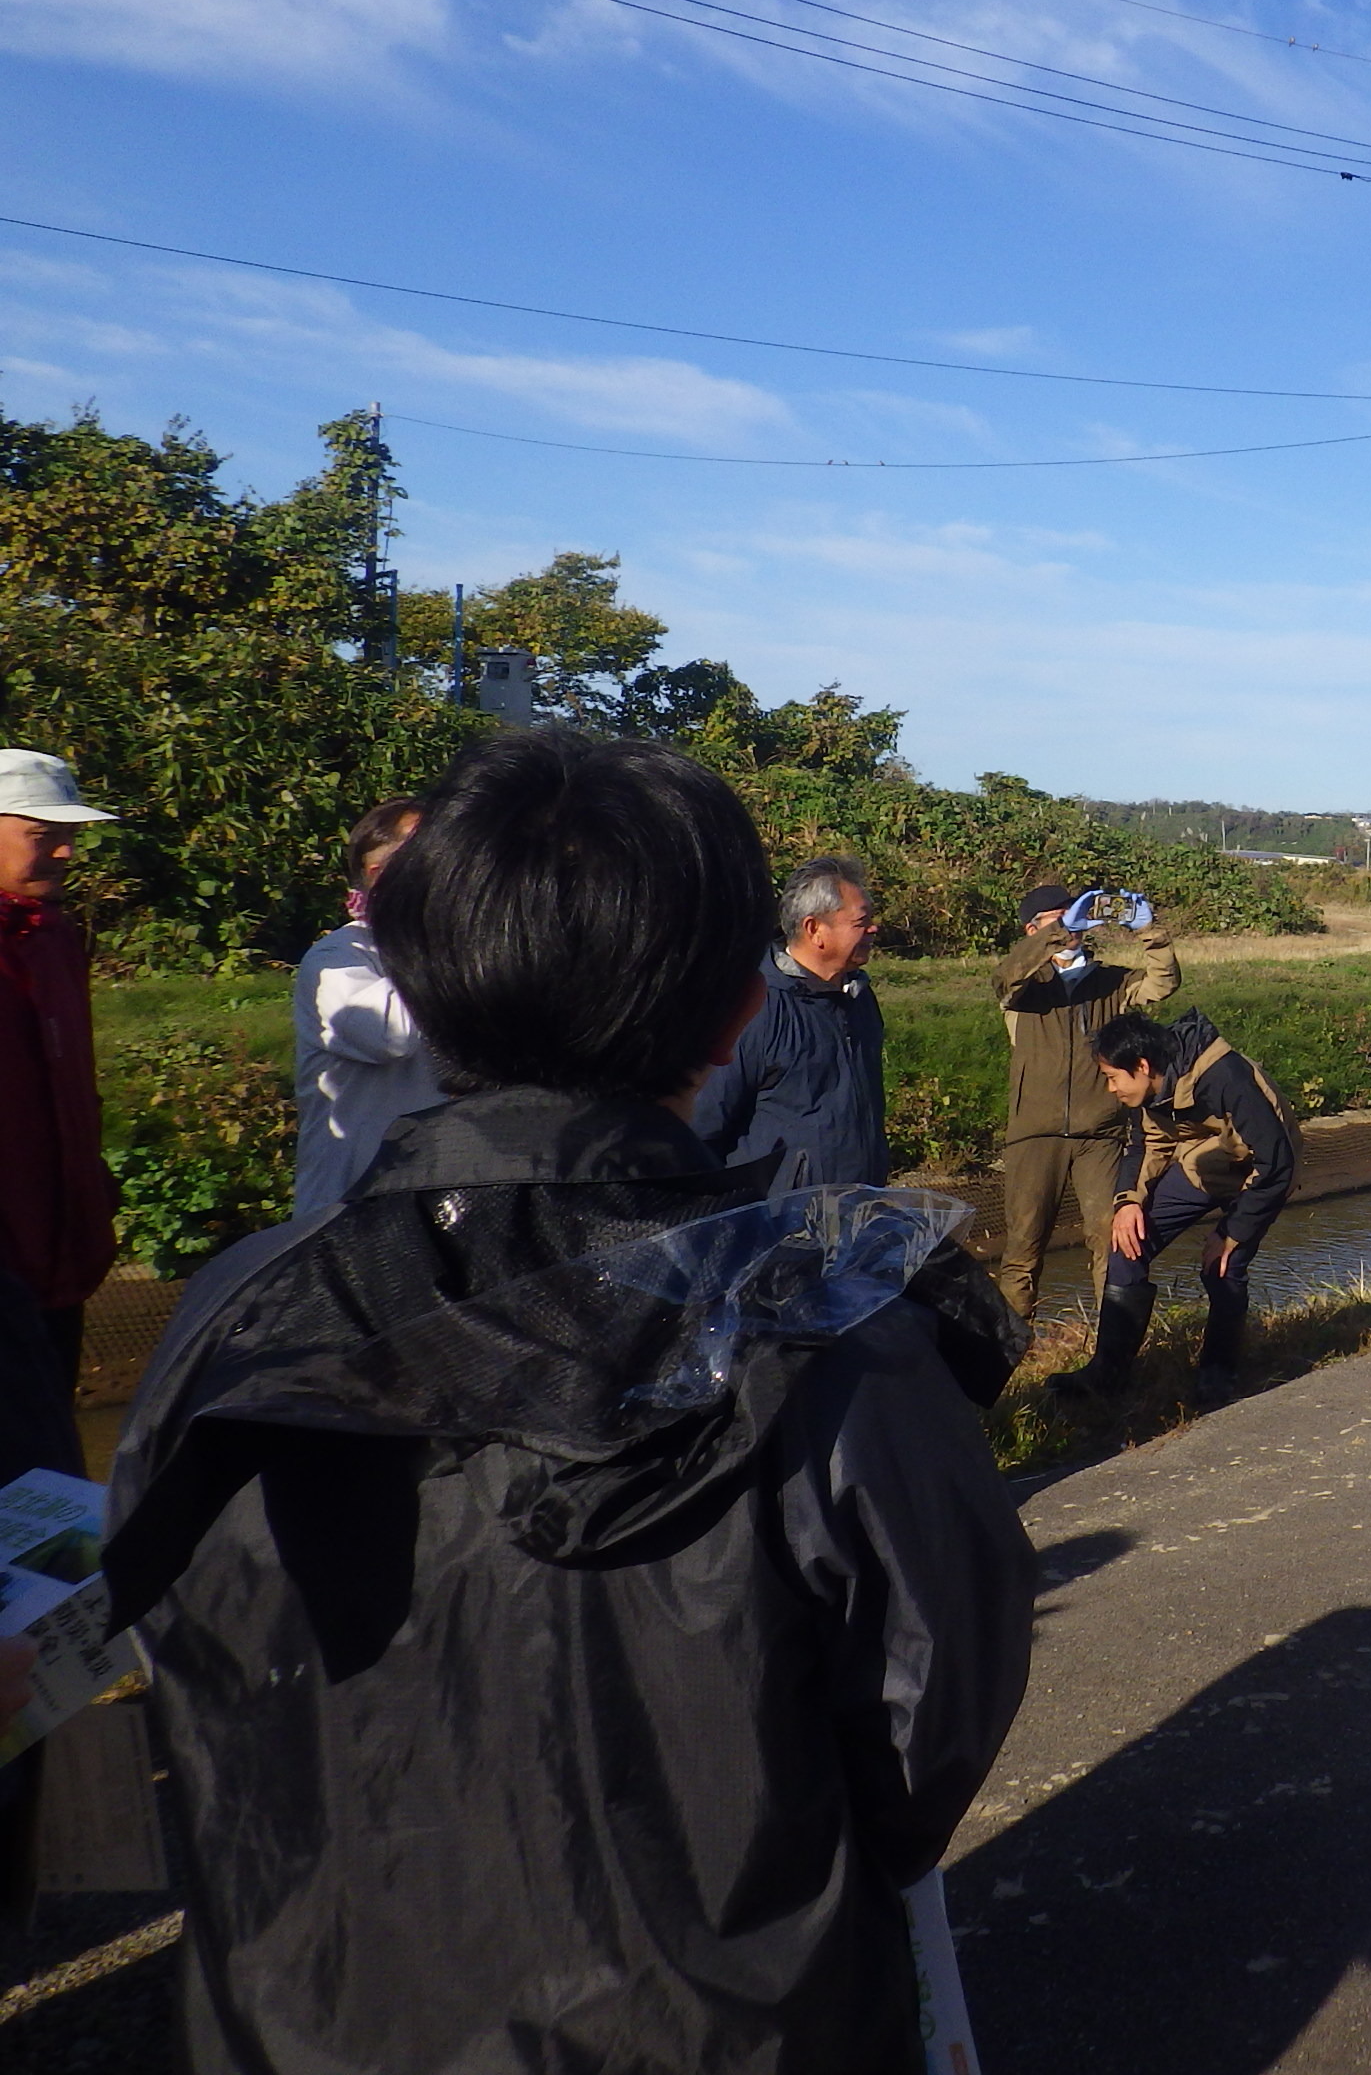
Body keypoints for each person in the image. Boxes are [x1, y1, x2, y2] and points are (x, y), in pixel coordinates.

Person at [103, 729, 1035, 2075]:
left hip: (312, 2010)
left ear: (421, 976)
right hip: (728, 2020)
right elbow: (932, 1715)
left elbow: (184, 1648)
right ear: (737, 1010)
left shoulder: (240, 1305)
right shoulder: (827, 1330)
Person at [1046, 1007, 1296, 1409]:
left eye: (1112, 1077)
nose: (1111, 1089)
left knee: (1222, 1264)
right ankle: (1107, 1375)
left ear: (1142, 1066)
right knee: (1127, 1242)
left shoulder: (1226, 1077)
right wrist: (1127, 1202)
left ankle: (1217, 1378)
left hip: (1264, 1169)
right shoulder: (1149, 1085)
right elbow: (1143, 1145)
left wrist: (1232, 1232)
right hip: (1206, 1159)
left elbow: (1276, 1164)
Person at [990, 883, 1178, 1317]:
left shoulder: (1113, 982)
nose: (1070, 925)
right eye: (1057, 918)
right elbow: (1004, 977)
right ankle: (1012, 1344)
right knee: (1022, 1247)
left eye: (1074, 915)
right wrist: (1055, 935)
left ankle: (1111, 1342)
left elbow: (1164, 982)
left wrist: (1149, 930)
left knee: (1111, 1239)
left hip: (1102, 1135)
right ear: (1032, 929)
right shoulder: (1023, 987)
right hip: (1034, 1135)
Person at [0, 750, 118, 1408]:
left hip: (58, 1254)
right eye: (43, 835)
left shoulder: (51, 938)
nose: (67, 852)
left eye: (70, 835)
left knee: (48, 1437)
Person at [291, 795, 445, 1216]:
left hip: (432, 1196)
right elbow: (391, 1035)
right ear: (381, 875)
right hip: (348, 1209)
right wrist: (444, 934)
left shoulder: (452, 953)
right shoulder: (337, 958)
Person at [696, 854, 889, 1188]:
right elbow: (704, 1124)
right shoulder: (756, 1006)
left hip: (856, 1205)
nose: (874, 928)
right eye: (861, 921)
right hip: (779, 1214)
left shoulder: (858, 996)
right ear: (814, 929)